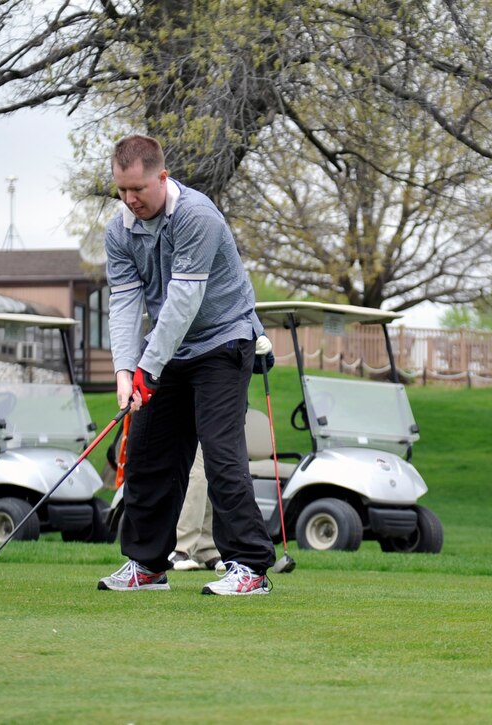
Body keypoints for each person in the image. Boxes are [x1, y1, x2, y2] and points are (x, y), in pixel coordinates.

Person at [98, 133, 275, 595]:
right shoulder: (119, 231)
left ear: (163, 176)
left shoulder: (197, 216)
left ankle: (250, 568)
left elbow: (183, 299)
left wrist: (147, 368)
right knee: (147, 455)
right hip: (169, 349)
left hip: (223, 340)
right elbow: (124, 301)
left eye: (139, 189)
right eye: (122, 190)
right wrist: (125, 370)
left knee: (221, 455)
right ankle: (147, 565)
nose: (131, 199)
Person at [168, 339, 274, 573]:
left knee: (217, 477)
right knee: (198, 476)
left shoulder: (245, 316)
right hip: (201, 410)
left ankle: (208, 548)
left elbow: (260, 364)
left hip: (230, 412)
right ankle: (181, 547)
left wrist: (266, 352)